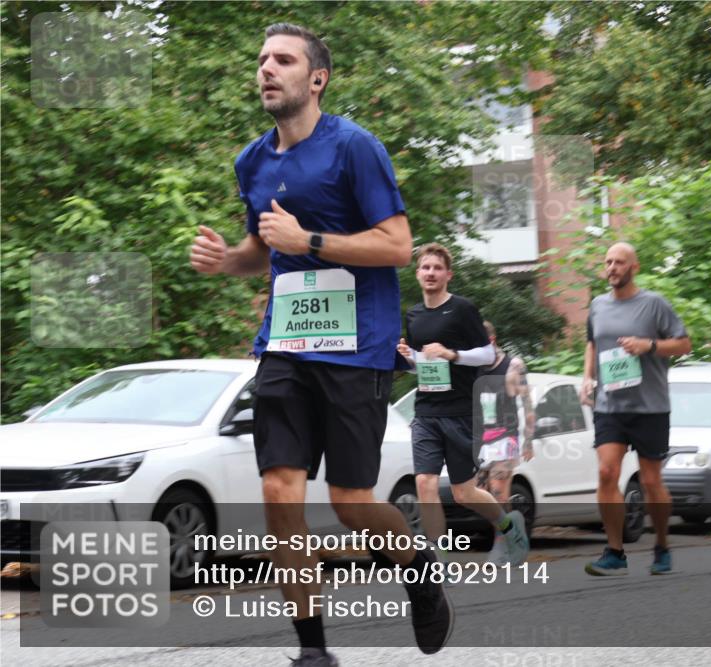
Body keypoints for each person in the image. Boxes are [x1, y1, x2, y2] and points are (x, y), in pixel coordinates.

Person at [189, 24, 451, 666]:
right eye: (261, 60)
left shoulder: (355, 148)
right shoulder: (252, 161)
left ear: (317, 78)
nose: (267, 69)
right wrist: (227, 260)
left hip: (357, 346)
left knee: (353, 503)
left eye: (283, 60)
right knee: (279, 490)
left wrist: (308, 241)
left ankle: (418, 572)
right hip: (285, 344)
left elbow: (395, 246)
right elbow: (261, 246)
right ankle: (313, 652)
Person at [397, 243, 530, 566]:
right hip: (427, 410)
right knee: (424, 483)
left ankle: (509, 526)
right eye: (425, 268)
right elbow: (422, 365)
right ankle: (438, 561)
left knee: (463, 493)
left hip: (460, 411)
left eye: (436, 268)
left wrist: (452, 354)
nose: (430, 273)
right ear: (417, 274)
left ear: (448, 275)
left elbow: (486, 355)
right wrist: (409, 359)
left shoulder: (462, 309)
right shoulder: (413, 315)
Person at [580, 242, 691, 576]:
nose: (612, 267)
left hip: (650, 406)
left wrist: (650, 346)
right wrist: (587, 377)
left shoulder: (654, 304)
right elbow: (592, 343)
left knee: (650, 480)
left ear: (634, 267)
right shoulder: (598, 305)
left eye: (619, 262)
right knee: (606, 472)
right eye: (608, 262)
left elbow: (684, 344)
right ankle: (615, 551)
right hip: (610, 405)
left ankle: (661, 545)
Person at [474, 320, 536, 562]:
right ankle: (513, 530)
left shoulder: (513, 366)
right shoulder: (474, 368)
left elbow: (528, 405)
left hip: (505, 437)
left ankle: (502, 546)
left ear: (491, 341)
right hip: (481, 439)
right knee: (479, 494)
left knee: (499, 493)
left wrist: (528, 441)